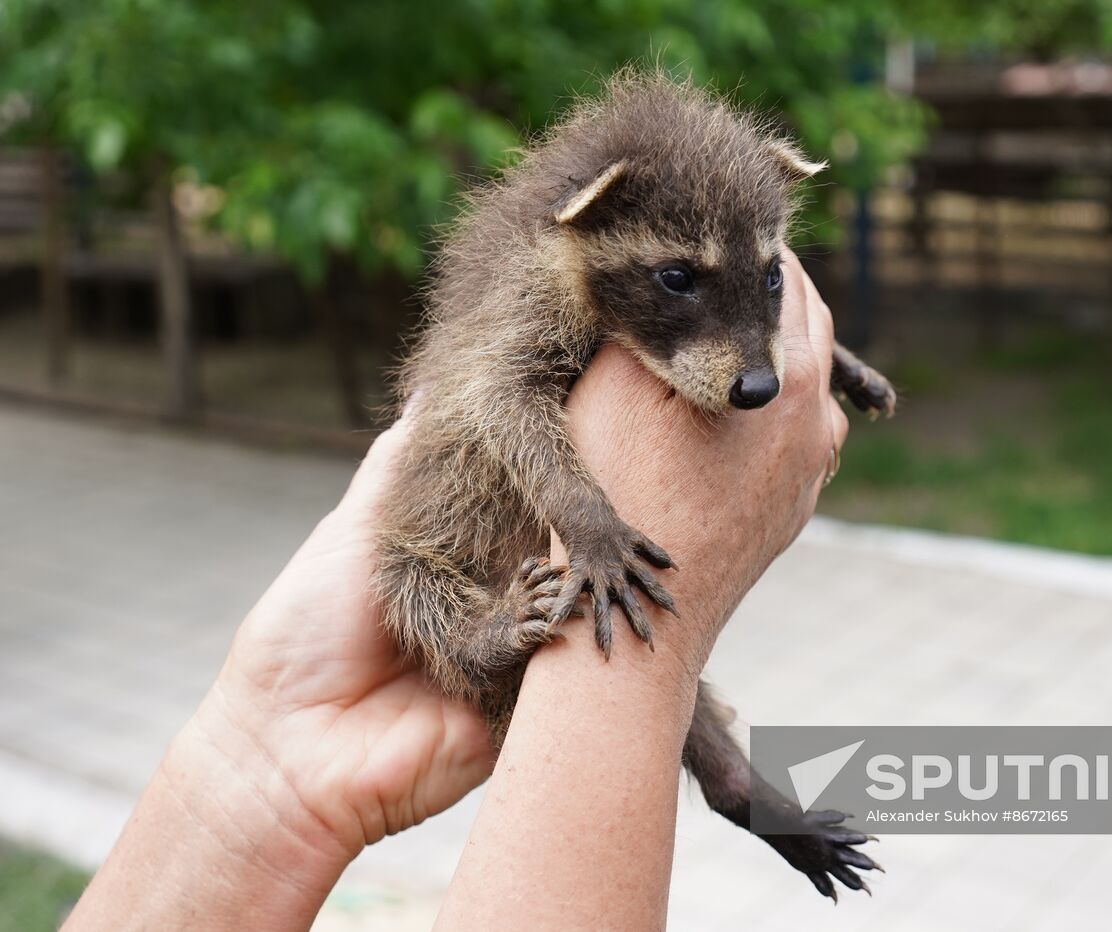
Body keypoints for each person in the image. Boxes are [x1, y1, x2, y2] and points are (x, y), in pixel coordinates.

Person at [64, 251, 848, 931]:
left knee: (663, 685)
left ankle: (736, 785)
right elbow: (508, 397)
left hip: (434, 646)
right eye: (678, 276)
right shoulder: (546, 285)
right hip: (468, 567)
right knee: (413, 580)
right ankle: (728, 779)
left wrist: (823, 363)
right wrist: (595, 533)